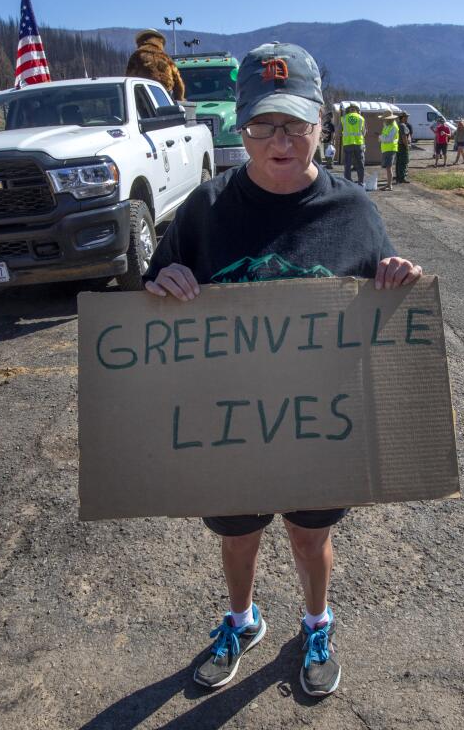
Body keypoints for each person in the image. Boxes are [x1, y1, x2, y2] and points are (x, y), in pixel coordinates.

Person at [143, 42, 423, 698]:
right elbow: (156, 286)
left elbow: (381, 305)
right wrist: (165, 278)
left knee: (308, 533)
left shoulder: (354, 212)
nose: (280, 140)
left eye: (295, 123)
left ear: (321, 125)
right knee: (238, 539)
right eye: (263, 124)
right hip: (228, 423)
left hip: (316, 424)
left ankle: (316, 621)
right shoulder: (205, 209)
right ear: (239, 127)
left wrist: (395, 281)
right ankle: (242, 620)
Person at [124, 29, 186, 101]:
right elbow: (178, 82)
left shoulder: (136, 56)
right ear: (160, 42)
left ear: (140, 42)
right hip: (165, 95)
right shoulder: (166, 58)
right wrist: (179, 98)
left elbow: (129, 77)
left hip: (144, 95)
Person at [339, 103, 366, 184]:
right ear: (357, 110)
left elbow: (339, 131)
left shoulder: (343, 118)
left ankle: (348, 182)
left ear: (348, 110)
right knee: (360, 164)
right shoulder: (361, 118)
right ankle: (361, 182)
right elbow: (364, 132)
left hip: (347, 143)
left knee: (347, 164)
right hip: (359, 143)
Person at [378, 112, 399, 190]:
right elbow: (385, 136)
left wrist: (380, 137)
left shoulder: (394, 127)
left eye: (385, 119)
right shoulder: (387, 125)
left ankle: (389, 185)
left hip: (390, 149)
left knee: (389, 168)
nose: (383, 120)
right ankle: (388, 184)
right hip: (386, 149)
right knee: (387, 168)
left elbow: (388, 139)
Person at [395, 111, 412, 183]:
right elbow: (404, 137)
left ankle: (398, 177)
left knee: (399, 162)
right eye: (406, 117)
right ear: (403, 118)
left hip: (398, 145)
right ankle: (402, 177)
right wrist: (407, 146)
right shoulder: (402, 125)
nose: (407, 118)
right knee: (404, 161)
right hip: (402, 146)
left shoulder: (398, 124)